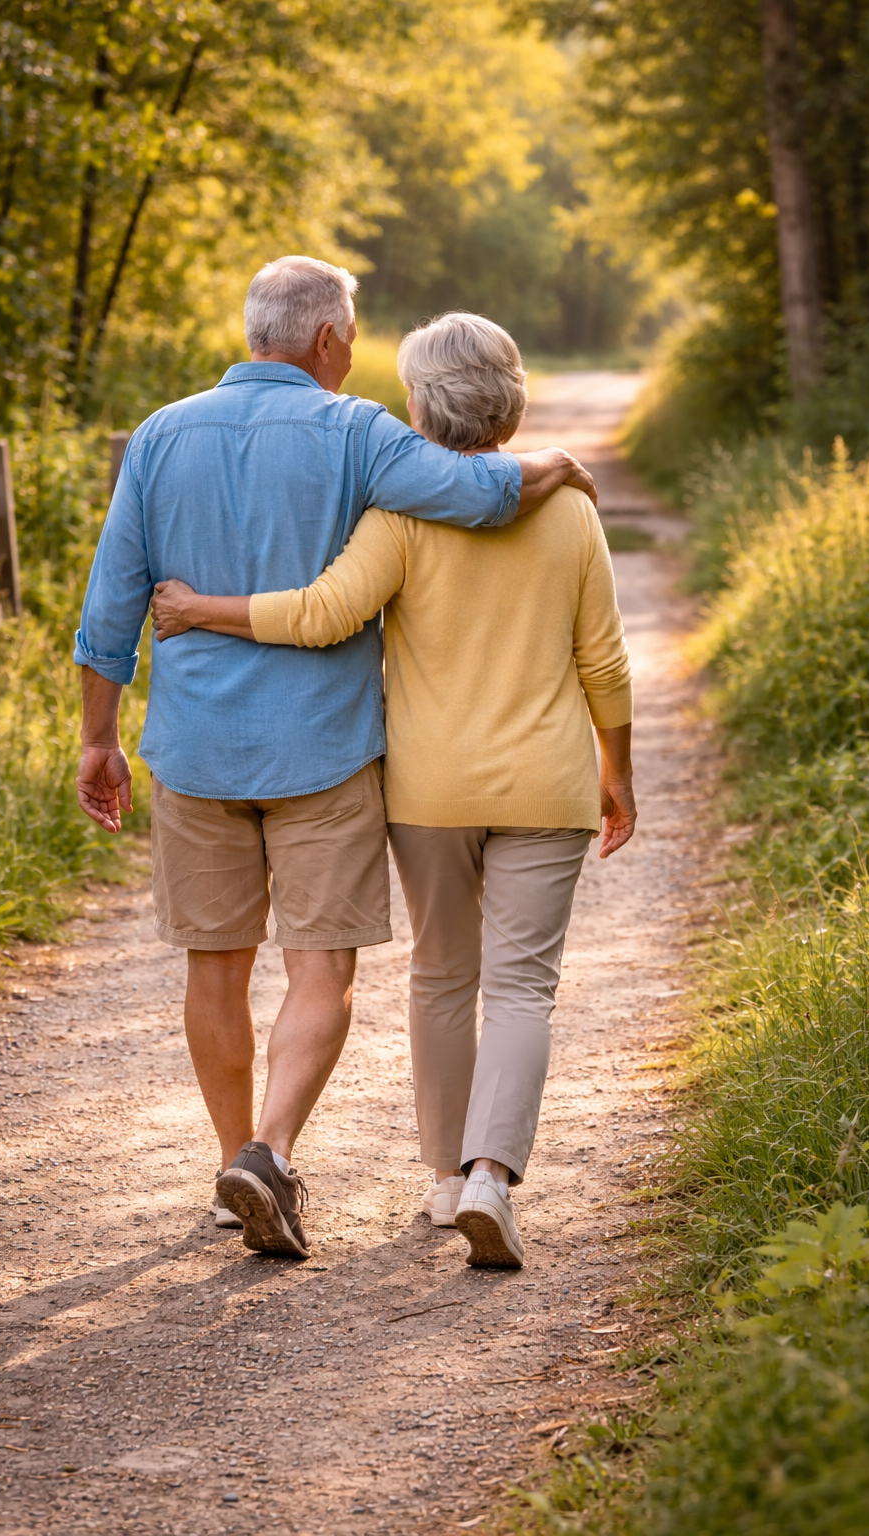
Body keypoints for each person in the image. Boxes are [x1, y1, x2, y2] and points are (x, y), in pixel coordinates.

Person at [75, 260, 597, 1262]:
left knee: (215, 967)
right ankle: (267, 1151)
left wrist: (98, 738)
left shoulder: (158, 436)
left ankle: (240, 1168)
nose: (352, 351)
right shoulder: (355, 429)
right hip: (321, 754)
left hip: (194, 753)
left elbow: (109, 611)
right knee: (321, 968)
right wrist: (558, 463)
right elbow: (480, 489)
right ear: (322, 341)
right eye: (350, 335)